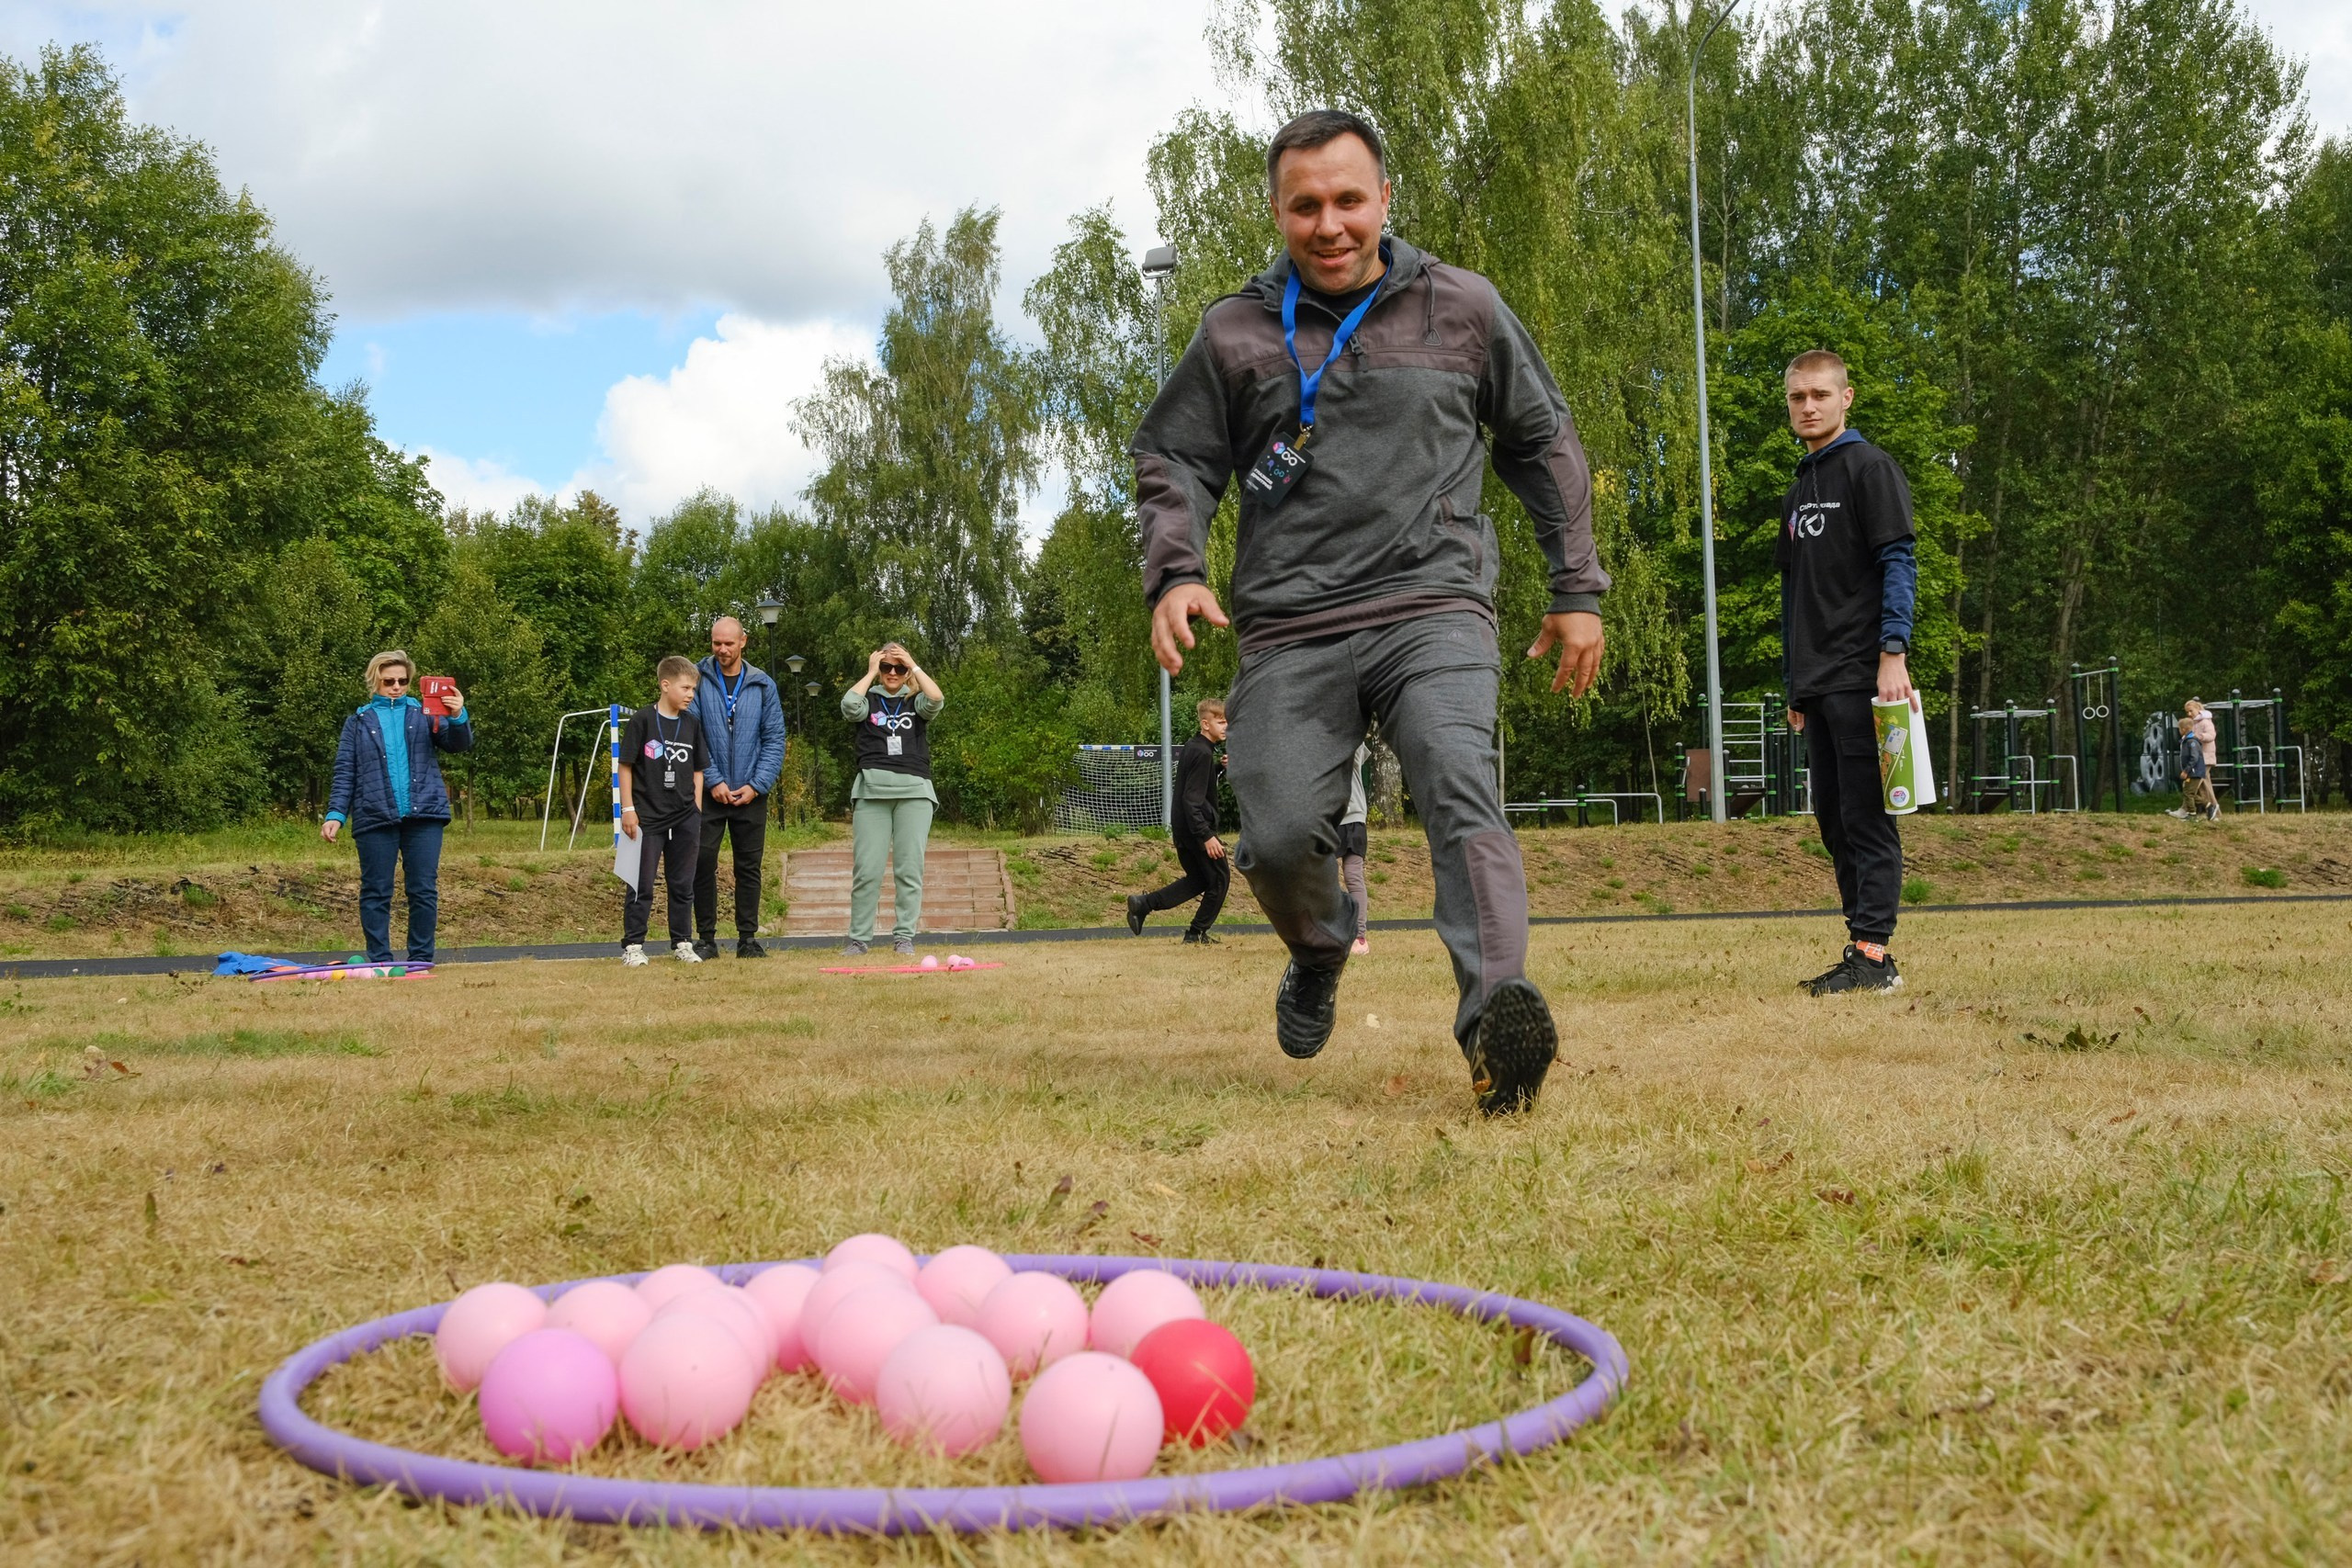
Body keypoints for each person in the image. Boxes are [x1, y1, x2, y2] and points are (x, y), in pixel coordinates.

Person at [1133, 108, 1607, 1116]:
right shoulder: (1235, 331)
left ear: (1385, 199)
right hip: (1291, 625)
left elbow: (1543, 440)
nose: (1330, 223)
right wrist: (1175, 572)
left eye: (1349, 199)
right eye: (1305, 205)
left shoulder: (1462, 309)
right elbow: (1174, 457)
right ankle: (1316, 949)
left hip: (1432, 603)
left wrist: (1576, 590)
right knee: (1274, 828)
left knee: (1455, 780)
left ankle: (1494, 1023)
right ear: (1277, 213)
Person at [1778, 348, 1916, 995]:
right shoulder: (1800, 485)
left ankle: (1874, 954)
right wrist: (1794, 683)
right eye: (1798, 397)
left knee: (1866, 813)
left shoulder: (1869, 467)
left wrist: (1894, 651)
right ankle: (1858, 943)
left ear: (1846, 398)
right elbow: (1796, 592)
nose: (1808, 406)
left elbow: (1898, 560)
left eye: (1819, 395)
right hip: (1818, 679)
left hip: (1865, 672)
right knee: (1832, 816)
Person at [322, 651, 473, 964]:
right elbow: (344, 771)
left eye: (403, 681)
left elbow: (458, 745)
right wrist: (336, 814)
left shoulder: (427, 714)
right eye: (389, 681)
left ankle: (420, 960)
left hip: (425, 815)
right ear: (374, 680)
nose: (396, 687)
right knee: (376, 891)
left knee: (422, 890)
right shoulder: (357, 723)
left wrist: (458, 716)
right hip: (374, 814)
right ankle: (380, 961)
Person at [687, 615, 786, 958]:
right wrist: (712, 780)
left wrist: (757, 785)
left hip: (750, 793)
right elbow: (692, 734)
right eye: (717, 643)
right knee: (702, 861)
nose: (723, 649)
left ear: (744, 641)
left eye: (729, 643)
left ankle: (748, 938)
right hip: (708, 793)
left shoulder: (763, 684)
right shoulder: (696, 681)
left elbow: (774, 739)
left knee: (749, 866)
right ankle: (706, 939)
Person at [842, 642, 944, 957]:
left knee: (909, 869)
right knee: (867, 871)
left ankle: (904, 937)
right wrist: (871, 671)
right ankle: (859, 940)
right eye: (888, 667)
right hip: (872, 792)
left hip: (914, 793)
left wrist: (912, 663)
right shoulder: (868, 700)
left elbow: (937, 698)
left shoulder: (916, 702)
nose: (893, 673)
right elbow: (848, 706)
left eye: (898, 668)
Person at [618, 657, 706, 967]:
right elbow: (625, 766)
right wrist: (628, 809)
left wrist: (696, 809)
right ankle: (633, 945)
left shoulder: (692, 723)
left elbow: (698, 769)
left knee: (683, 883)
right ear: (665, 685)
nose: (690, 694)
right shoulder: (642, 720)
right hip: (646, 816)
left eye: (694, 689)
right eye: (686, 687)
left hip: (685, 816)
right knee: (640, 882)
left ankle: (682, 941)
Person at [1125, 698, 1231, 944]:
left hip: (1184, 829)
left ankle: (1143, 904)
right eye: (1221, 721)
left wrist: (1217, 768)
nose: (1226, 726)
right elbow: (1191, 800)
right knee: (1219, 878)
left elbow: (1193, 785)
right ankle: (1195, 934)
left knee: (1199, 880)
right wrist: (1206, 836)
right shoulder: (1202, 752)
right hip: (1196, 830)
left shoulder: (1196, 747)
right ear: (1206, 724)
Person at [1340, 743, 1371, 956]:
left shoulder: (1352, 739)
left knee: (1353, 877)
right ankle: (1333, 931)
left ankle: (1359, 937)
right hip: (1327, 821)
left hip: (1354, 819)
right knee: (1324, 879)